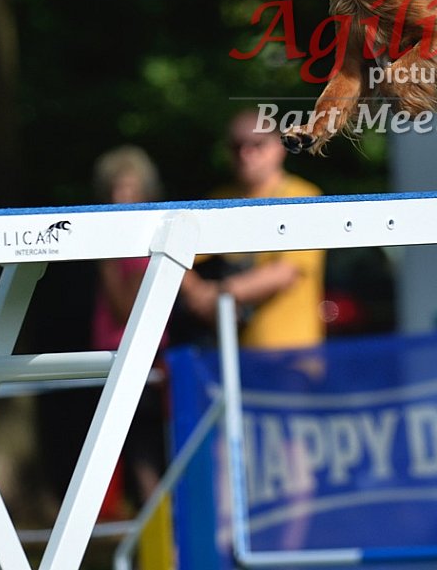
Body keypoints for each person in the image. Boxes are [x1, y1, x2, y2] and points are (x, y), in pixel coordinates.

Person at [176, 110, 326, 350]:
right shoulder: (220, 201)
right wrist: (198, 295)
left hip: (291, 353)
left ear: (280, 146)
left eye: (257, 144)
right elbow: (174, 252)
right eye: (236, 146)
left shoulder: (303, 197)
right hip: (228, 353)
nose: (245, 154)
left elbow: (286, 272)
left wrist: (219, 295)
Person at [88, 146, 166, 514]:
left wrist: (104, 260)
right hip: (116, 356)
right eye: (116, 188)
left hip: (139, 358)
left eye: (129, 188)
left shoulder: (138, 246)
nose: (121, 196)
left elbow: (126, 310)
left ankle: (158, 532)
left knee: (144, 453)